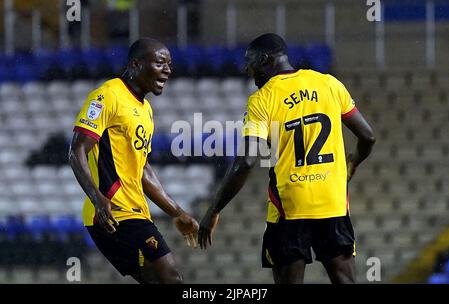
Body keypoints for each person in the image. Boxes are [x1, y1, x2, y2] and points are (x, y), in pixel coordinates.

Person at [198, 33, 376, 284]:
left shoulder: (263, 99)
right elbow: (368, 136)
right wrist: (354, 160)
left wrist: (214, 210)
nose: (249, 71)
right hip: (332, 203)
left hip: (290, 206)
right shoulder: (329, 84)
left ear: (265, 59)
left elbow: (246, 162)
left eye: (251, 63)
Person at [68, 38, 199, 284]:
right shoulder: (107, 96)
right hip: (114, 212)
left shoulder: (146, 110)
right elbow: (76, 152)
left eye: (169, 64)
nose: (168, 70)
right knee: (171, 277)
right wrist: (98, 199)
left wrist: (177, 212)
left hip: (135, 210)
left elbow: (142, 170)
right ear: (136, 64)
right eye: (161, 63)